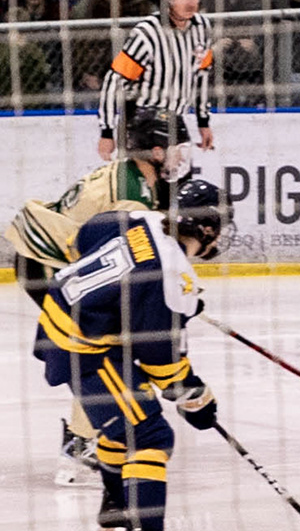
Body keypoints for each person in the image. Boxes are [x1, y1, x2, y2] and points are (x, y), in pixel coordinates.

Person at [31, 178, 228, 531]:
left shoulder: (141, 218)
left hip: (70, 327)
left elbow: (91, 232)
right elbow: (162, 364)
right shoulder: (172, 280)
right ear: (207, 230)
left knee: (122, 427)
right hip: (85, 349)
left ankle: (117, 512)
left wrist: (139, 299)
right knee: (151, 434)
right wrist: (197, 399)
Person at [6, 107, 183, 486]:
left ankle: (85, 436)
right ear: (156, 151)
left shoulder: (133, 177)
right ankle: (81, 442)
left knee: (102, 345)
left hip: (45, 255)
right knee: (103, 347)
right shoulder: (132, 197)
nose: (180, 156)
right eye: (175, 147)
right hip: (45, 260)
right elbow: (125, 260)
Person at [97, 0, 215, 162]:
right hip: (142, 122)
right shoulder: (147, 33)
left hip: (176, 120)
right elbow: (114, 80)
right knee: (145, 186)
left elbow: (201, 74)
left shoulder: (202, 28)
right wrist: (107, 131)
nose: (191, 2)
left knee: (177, 185)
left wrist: (203, 121)